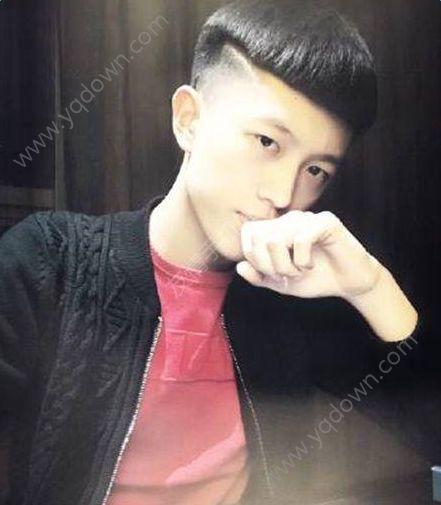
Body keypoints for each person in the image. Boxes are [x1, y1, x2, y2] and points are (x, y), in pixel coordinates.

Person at [0, 1, 426, 504]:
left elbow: (426, 425)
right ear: (189, 120)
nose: (283, 193)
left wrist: (370, 285)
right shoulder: (51, 261)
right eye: (267, 141)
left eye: (316, 170)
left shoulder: (291, 297)